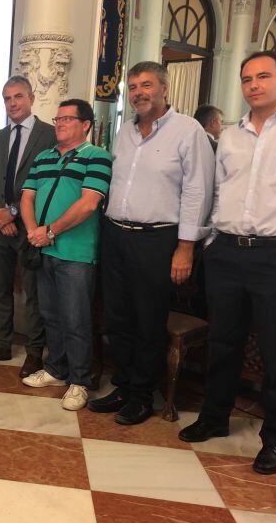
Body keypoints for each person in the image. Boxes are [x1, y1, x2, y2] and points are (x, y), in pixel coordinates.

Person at [179, 51, 276, 475]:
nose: (254, 85)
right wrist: (210, 240)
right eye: (247, 78)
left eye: (264, 76)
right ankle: (214, 417)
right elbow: (216, 191)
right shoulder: (230, 135)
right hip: (227, 251)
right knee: (224, 342)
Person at [89, 61, 214, 425]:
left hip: (157, 239)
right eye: (133, 86)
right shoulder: (124, 132)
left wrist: (186, 246)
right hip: (115, 234)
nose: (139, 92)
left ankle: (143, 395)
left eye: (146, 85)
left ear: (164, 89)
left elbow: (198, 191)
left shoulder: (188, 131)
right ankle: (124, 385)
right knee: (117, 317)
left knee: (148, 321)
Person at [19, 99, 112, 410]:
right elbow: (27, 197)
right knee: (51, 315)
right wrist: (34, 232)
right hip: (43, 248)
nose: (59, 123)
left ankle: (80, 381)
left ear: (85, 124)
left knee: (76, 318)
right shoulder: (43, 157)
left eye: (67, 119)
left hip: (76, 253)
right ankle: (57, 369)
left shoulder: (97, 157)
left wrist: (50, 231)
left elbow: (88, 204)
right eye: (57, 119)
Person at [0, 75, 55, 375]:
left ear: (31, 98)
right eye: (7, 98)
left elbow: (46, 183)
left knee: (33, 292)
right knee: (0, 289)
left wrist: (14, 213)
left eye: (18, 97)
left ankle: (35, 352)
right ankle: (2, 343)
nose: (13, 103)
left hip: (31, 226)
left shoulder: (48, 135)